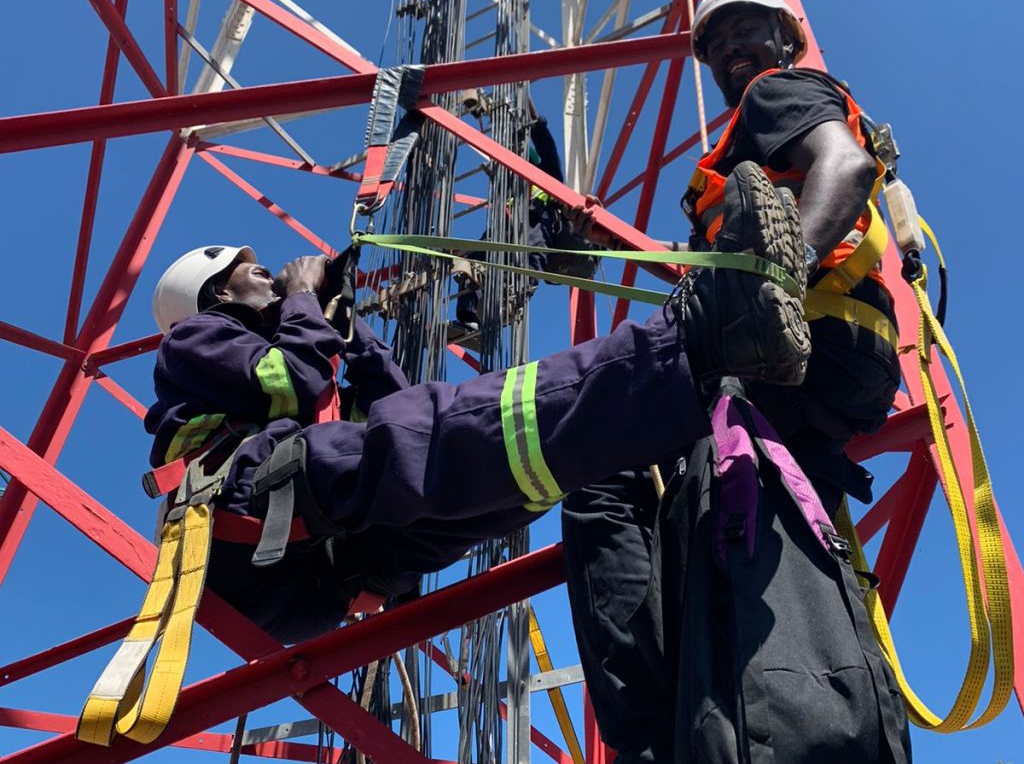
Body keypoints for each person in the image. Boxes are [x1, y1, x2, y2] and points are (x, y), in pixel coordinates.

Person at [143, 160, 809, 645]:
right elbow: (292, 381)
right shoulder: (194, 342)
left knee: (489, 477)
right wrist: (303, 300)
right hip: (239, 527)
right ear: (217, 295)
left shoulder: (297, 341)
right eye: (253, 273)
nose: (271, 274)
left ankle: (686, 376)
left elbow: (402, 408)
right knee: (430, 437)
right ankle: (696, 337)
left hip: (317, 565)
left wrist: (345, 325)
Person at [562, 0, 904, 762]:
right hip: (825, 368)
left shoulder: (776, 96)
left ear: (786, 38)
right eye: (716, 47)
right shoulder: (759, 129)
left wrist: (780, 277)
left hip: (792, 340)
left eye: (745, 33)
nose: (728, 54)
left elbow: (845, 168)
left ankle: (649, 738)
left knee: (601, 474)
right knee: (705, 502)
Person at [453, 103, 596, 334]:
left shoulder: (547, 179)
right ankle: (468, 318)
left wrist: (535, 117)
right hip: (507, 227)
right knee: (474, 260)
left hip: (538, 224)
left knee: (531, 248)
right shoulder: (508, 191)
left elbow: (546, 145)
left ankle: (515, 295)